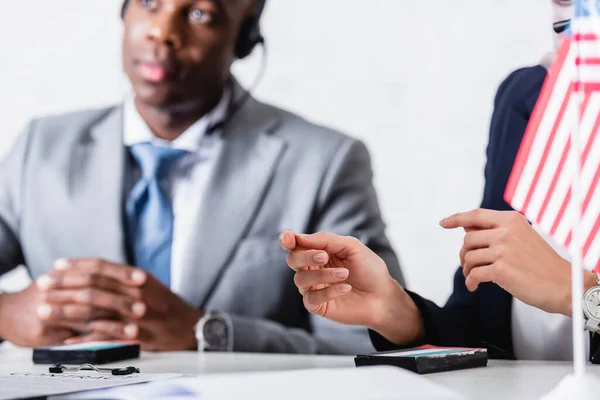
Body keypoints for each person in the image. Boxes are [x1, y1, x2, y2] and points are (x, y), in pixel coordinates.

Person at [0, 0, 403, 354]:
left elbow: (363, 346)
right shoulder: (40, 146)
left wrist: (207, 333)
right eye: (148, 2)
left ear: (244, 37)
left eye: (199, 13)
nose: (162, 31)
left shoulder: (324, 162)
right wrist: (4, 314)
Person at [283, 0, 600, 362]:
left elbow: (558, 289)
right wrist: (397, 313)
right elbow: (487, 320)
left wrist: (578, 293)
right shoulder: (528, 95)